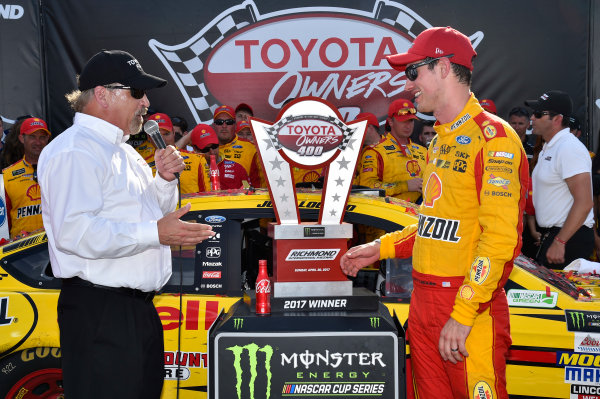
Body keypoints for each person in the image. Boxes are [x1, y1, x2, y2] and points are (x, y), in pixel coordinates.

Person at [341, 27, 527, 399]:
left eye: (414, 72)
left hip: (465, 306)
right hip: (422, 301)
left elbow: (500, 239)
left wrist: (463, 312)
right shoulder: (438, 140)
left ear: (443, 67)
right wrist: (381, 248)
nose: (409, 85)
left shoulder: (495, 138)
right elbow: (434, 223)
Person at [37, 49, 215, 399]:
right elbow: (75, 233)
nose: (146, 102)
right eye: (137, 92)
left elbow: (151, 219)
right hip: (101, 313)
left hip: (135, 311)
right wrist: (156, 232)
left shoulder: (125, 151)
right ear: (102, 94)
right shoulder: (75, 151)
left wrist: (163, 181)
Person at [527, 90, 594, 268]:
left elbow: (585, 202)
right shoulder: (549, 147)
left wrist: (560, 241)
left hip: (569, 239)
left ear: (557, 119)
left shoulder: (569, 148)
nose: (532, 117)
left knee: (557, 296)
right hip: (556, 235)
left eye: (539, 114)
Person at [357, 99, 426, 203]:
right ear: (390, 122)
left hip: (418, 214)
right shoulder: (375, 151)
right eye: (402, 121)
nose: (408, 125)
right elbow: (366, 187)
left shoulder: (423, 151)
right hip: (387, 214)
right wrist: (404, 185)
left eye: (411, 120)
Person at [3, 117, 51, 238]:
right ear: (21, 138)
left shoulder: (60, 169)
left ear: (48, 139)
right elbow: (3, 221)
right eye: (32, 137)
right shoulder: (7, 175)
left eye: (42, 137)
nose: (38, 142)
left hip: (54, 245)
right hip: (23, 250)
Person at [213, 105, 262, 187]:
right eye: (219, 122)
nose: (224, 126)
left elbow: (260, 185)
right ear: (213, 125)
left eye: (229, 122)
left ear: (235, 125)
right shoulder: (205, 149)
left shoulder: (251, 148)